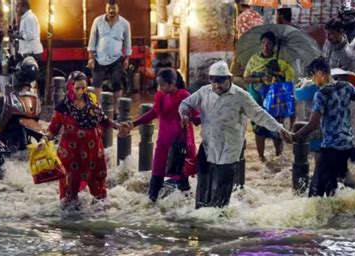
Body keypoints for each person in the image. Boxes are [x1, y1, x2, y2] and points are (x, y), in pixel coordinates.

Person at [179, 60, 293, 209]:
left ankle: (218, 220)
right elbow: (185, 104)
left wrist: (280, 129)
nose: (217, 86)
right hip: (208, 146)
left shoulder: (241, 96)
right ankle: (200, 218)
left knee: (222, 189)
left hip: (229, 150)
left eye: (221, 82)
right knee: (203, 184)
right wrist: (184, 115)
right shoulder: (204, 92)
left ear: (230, 79)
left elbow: (259, 115)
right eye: (214, 82)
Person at [293, 58, 355, 197]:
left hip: (331, 148)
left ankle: (322, 217)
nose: (313, 81)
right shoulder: (347, 86)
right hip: (347, 146)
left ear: (320, 74)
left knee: (315, 193)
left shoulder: (321, 95)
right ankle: (336, 216)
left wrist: (295, 136)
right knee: (333, 187)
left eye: (313, 76)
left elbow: (313, 125)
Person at [119, 68, 199, 202]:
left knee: (181, 179)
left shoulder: (184, 95)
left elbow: (197, 115)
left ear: (172, 83)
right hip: (163, 142)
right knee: (156, 174)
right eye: (158, 84)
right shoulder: (161, 96)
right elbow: (153, 113)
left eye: (162, 85)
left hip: (179, 144)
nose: (159, 87)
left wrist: (189, 117)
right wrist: (133, 124)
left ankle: (186, 209)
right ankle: (151, 204)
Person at [40, 71, 119, 205]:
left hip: (93, 154)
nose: (81, 91)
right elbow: (53, 129)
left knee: (100, 193)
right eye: (77, 88)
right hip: (72, 156)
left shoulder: (92, 100)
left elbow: (103, 119)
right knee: (70, 195)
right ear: (70, 87)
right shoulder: (63, 108)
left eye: (84, 88)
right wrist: (44, 140)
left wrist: (117, 125)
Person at [243, 31, 295, 162]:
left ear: (274, 46)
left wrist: (278, 73)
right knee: (258, 128)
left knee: (277, 127)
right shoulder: (254, 60)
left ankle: (279, 156)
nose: (265, 46)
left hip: (274, 102)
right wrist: (261, 79)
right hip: (257, 99)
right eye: (263, 43)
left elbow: (288, 80)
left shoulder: (280, 62)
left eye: (269, 43)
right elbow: (246, 78)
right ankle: (261, 157)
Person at [87, 0, 132, 116]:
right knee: (97, 83)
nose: (112, 12)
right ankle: (98, 108)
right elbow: (92, 41)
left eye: (114, 10)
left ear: (117, 10)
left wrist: (127, 58)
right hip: (99, 58)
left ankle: (116, 110)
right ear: (106, 9)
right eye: (109, 9)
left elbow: (127, 43)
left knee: (117, 83)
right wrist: (91, 58)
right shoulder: (98, 21)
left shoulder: (125, 24)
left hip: (116, 58)